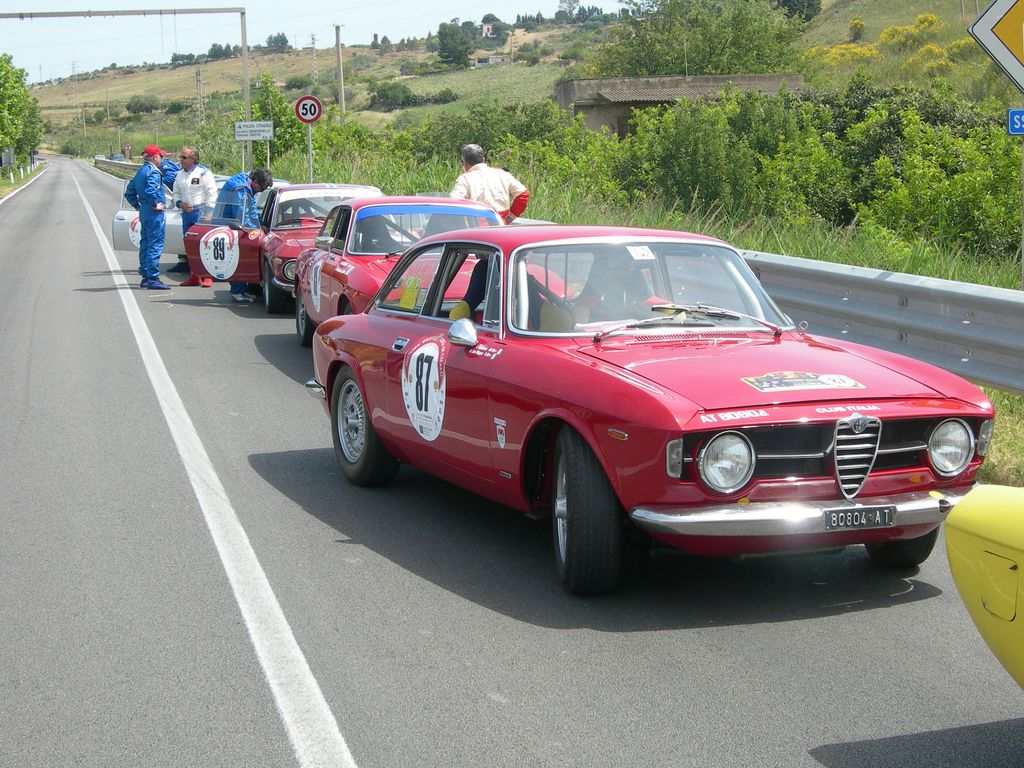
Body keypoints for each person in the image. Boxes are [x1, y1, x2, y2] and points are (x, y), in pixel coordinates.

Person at [213, 167, 273, 302]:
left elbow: (251, 209)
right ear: (255, 182)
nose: (261, 191)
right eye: (261, 188)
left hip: (233, 224)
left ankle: (240, 289)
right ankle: (237, 291)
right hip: (229, 226)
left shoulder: (247, 182)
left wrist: (260, 224)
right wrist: (258, 230)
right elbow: (242, 217)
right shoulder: (240, 189)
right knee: (237, 257)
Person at [123, 144, 170, 290]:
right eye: (161, 156)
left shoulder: (141, 171)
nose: (162, 159)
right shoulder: (153, 172)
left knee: (145, 242)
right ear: (155, 157)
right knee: (155, 243)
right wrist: (155, 204)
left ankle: (145, 274)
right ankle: (152, 277)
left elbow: (129, 192)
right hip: (153, 212)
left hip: (144, 210)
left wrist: (137, 205)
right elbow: (151, 190)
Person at [170, 145, 218, 284]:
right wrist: (180, 204)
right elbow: (176, 193)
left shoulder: (203, 173)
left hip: (201, 212)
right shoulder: (179, 175)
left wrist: (209, 212)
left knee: (204, 244)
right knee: (190, 246)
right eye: (180, 157)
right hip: (187, 213)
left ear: (193, 159)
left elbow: (212, 193)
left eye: (184, 157)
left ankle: (207, 276)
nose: (181, 160)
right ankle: (195, 275)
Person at [449, 144, 530, 224]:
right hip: (500, 226)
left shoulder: (464, 179)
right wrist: (509, 218)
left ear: (464, 162)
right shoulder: (502, 174)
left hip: (475, 227)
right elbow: (523, 194)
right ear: (483, 159)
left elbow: (454, 203)